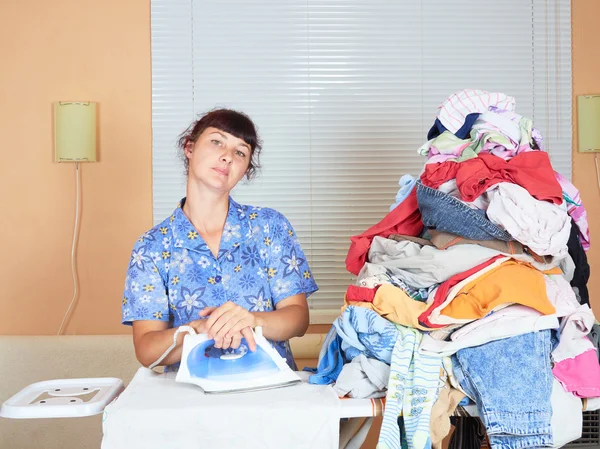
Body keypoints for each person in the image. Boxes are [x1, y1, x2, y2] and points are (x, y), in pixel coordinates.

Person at [121, 109, 318, 370]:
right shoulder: (151, 246)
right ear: (189, 148)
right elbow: (147, 351)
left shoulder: (270, 226)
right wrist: (195, 329)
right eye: (217, 142)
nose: (227, 156)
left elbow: (298, 319)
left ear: (246, 168)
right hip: (190, 401)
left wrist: (250, 320)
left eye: (240, 152)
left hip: (271, 393)